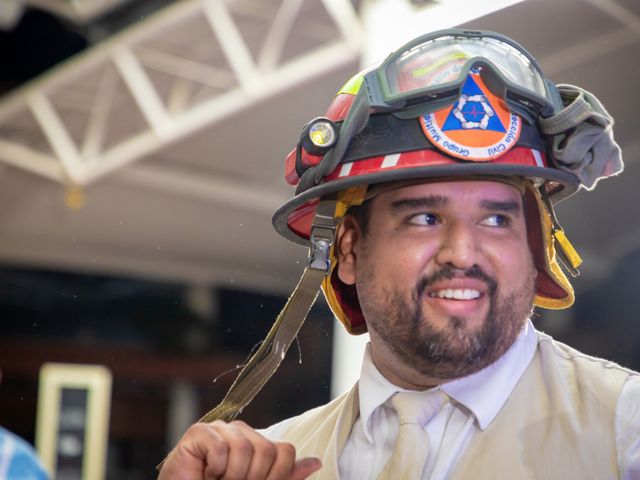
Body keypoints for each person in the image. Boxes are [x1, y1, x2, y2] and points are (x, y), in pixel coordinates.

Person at [158, 29, 639, 479]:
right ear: (347, 248)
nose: (462, 253)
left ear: (533, 245)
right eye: (424, 218)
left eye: (496, 220)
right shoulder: (270, 463)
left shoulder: (627, 430)